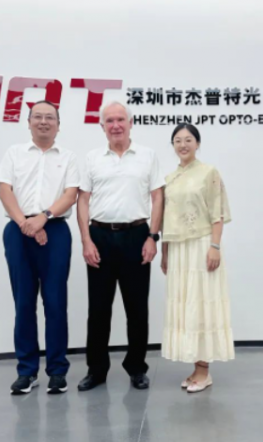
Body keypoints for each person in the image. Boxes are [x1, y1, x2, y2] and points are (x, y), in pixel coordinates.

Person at [0, 100, 80, 395]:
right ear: (28, 122)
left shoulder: (68, 157)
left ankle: (57, 371)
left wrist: (43, 218)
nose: (44, 122)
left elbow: (71, 194)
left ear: (58, 125)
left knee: (55, 302)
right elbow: (4, 191)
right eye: (38, 117)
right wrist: (26, 224)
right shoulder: (14, 153)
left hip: (55, 230)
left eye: (50, 118)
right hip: (18, 231)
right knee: (24, 302)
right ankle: (26, 371)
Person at [77, 100, 164, 391]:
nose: (116, 125)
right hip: (100, 237)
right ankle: (96, 370)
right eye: (110, 121)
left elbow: (158, 197)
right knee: (98, 310)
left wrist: (152, 236)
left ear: (130, 123)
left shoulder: (147, 156)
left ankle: (136, 367)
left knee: (137, 308)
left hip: (136, 236)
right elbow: (83, 200)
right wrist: (86, 240)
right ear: (102, 126)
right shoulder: (92, 158)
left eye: (120, 120)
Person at [160, 123, 235, 393]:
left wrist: (215, 245)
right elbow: (166, 218)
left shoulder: (208, 172)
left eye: (188, 139)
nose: (183, 145)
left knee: (201, 303)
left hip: (201, 245)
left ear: (198, 143)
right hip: (178, 249)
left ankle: (204, 371)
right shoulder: (169, 178)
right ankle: (196, 368)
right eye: (178, 140)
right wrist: (165, 253)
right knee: (186, 305)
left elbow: (217, 213)